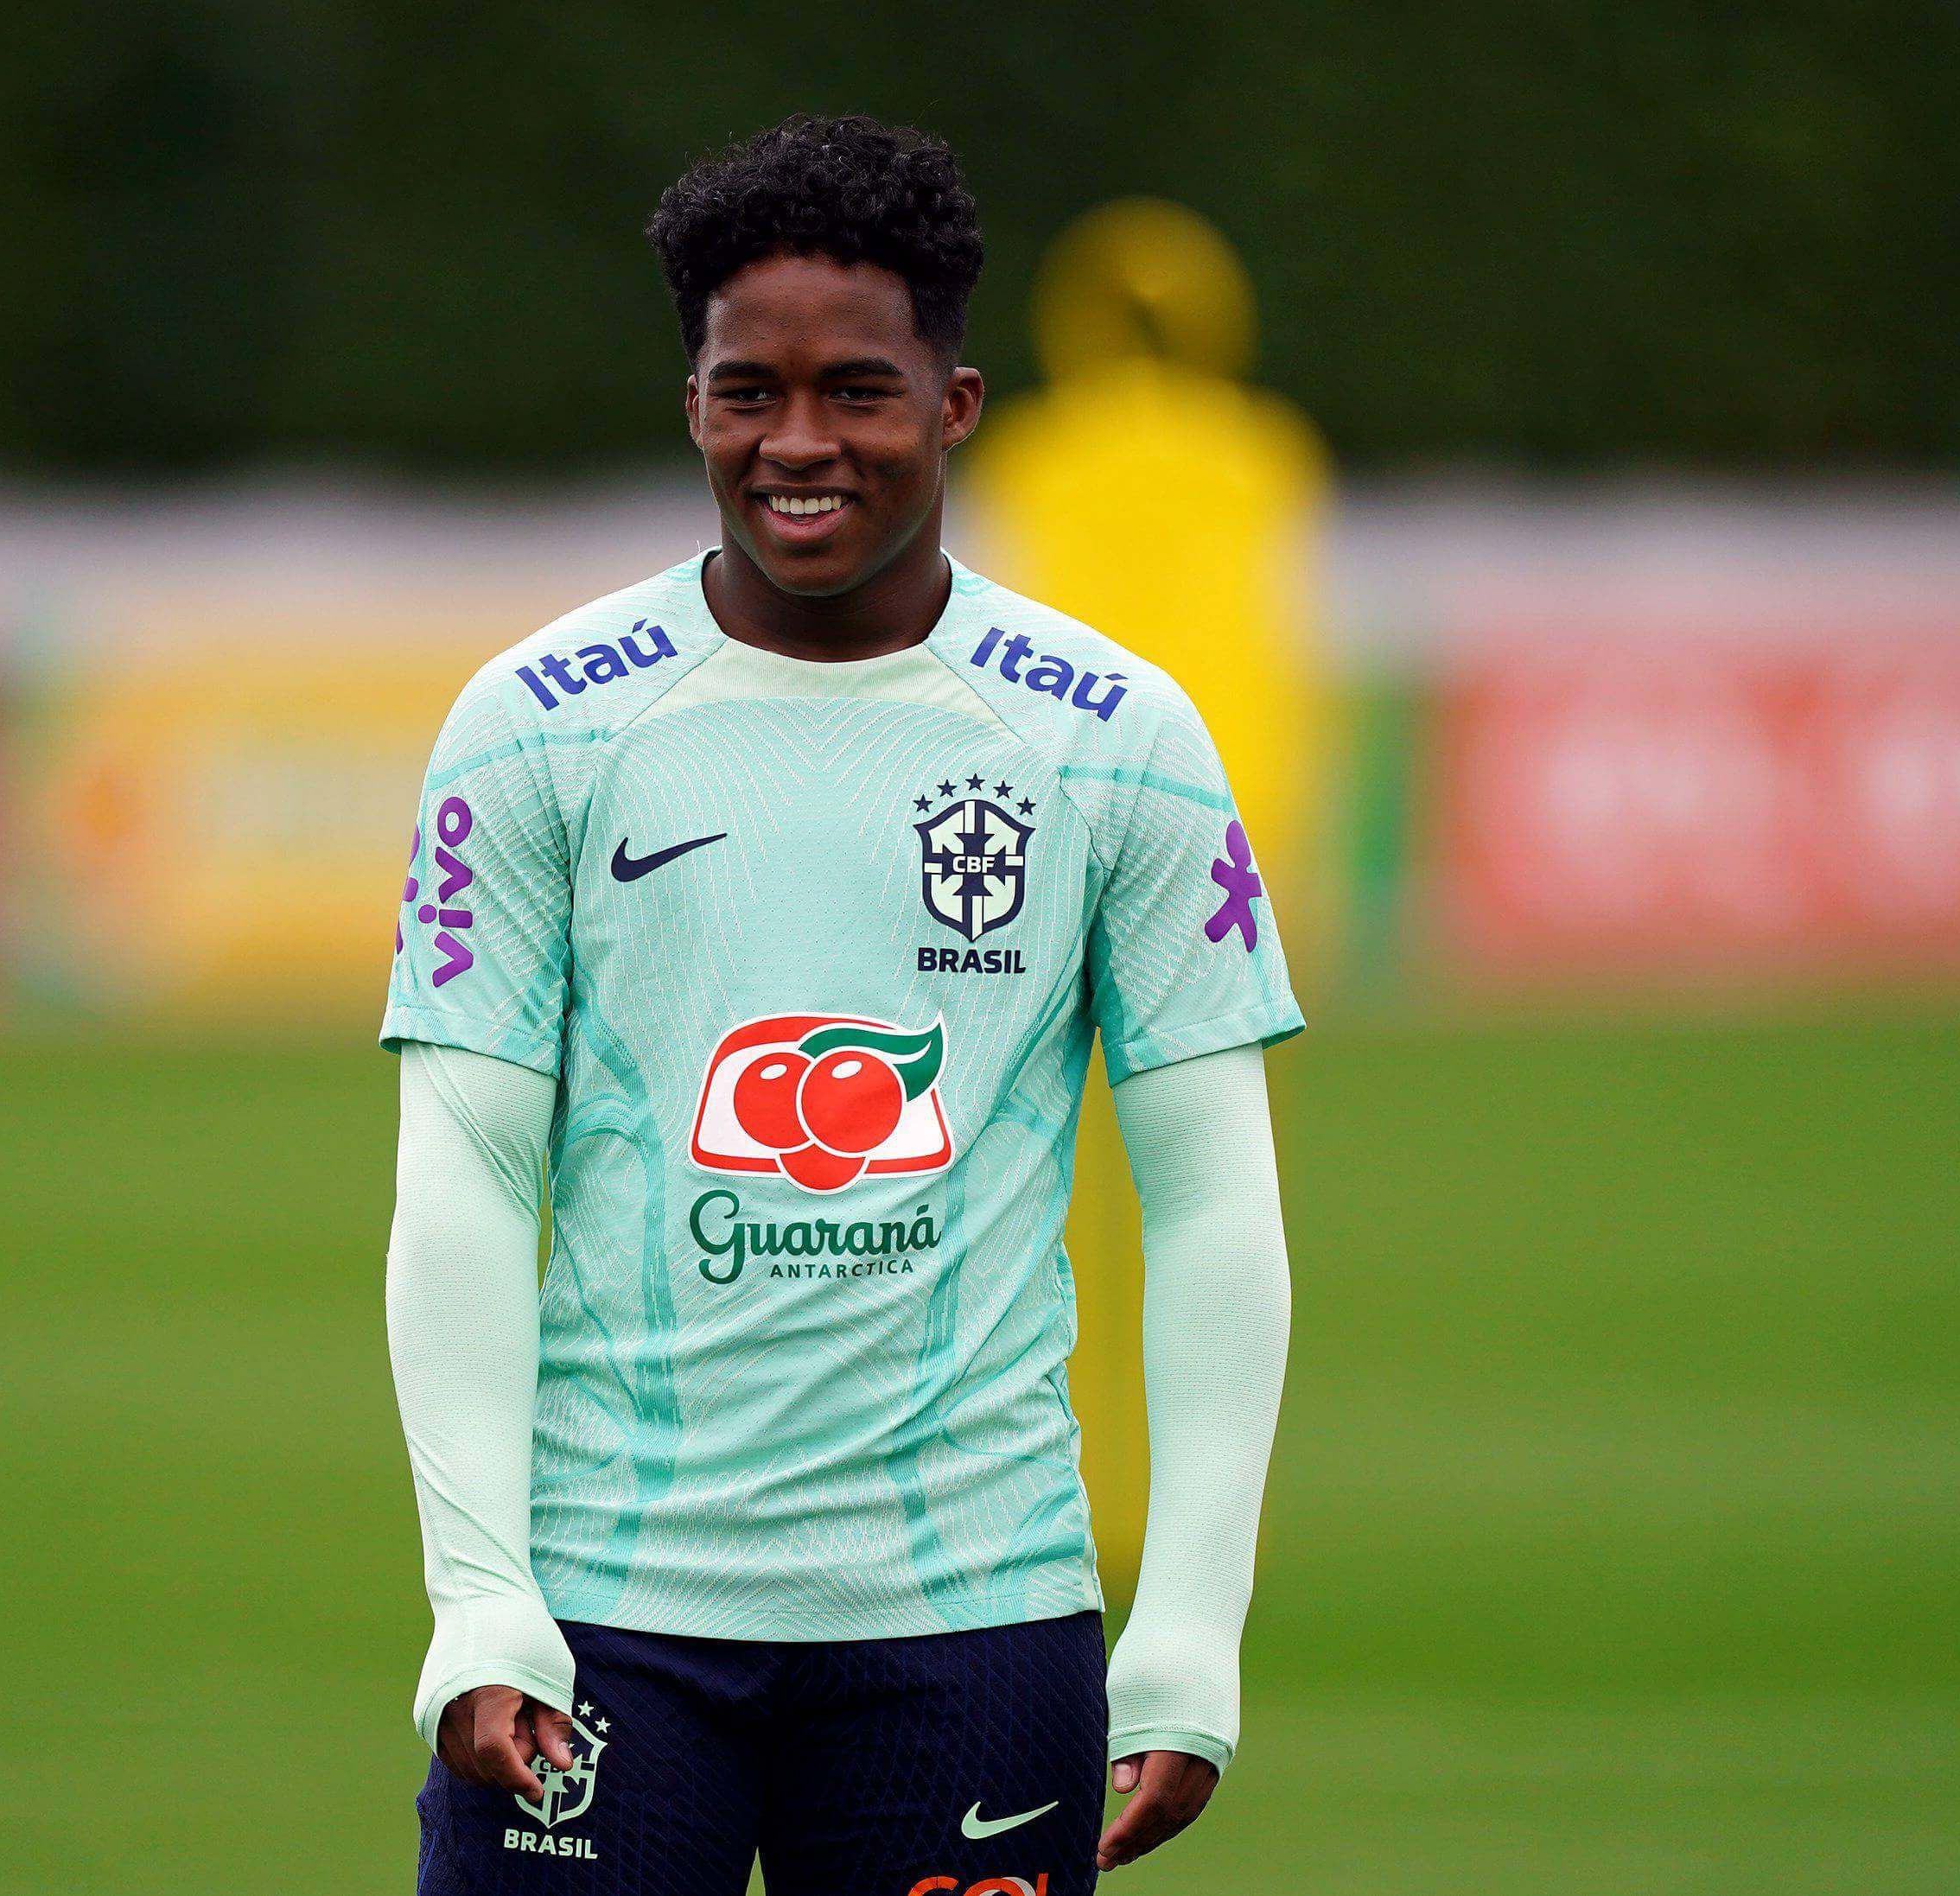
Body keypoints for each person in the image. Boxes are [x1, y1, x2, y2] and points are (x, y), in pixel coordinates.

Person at [384, 114, 1298, 1896]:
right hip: (598, 1620)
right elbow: (468, 1169)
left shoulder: (1116, 735)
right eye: (746, 391)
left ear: (954, 407)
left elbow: (1209, 1196)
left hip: (972, 1624)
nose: (795, 444)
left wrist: (1190, 1612)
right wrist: (479, 1587)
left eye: (856, 392)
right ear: (692, 400)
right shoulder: (533, 722)